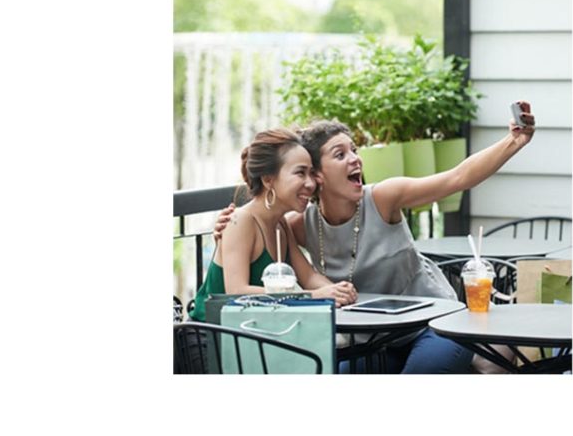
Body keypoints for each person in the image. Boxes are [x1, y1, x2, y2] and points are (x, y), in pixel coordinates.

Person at [213, 102, 536, 373]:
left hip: (435, 324)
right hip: (371, 336)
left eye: (354, 150)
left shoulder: (383, 198)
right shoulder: (298, 224)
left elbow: (456, 178)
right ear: (317, 175)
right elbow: (263, 225)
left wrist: (514, 141)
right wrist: (223, 231)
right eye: (340, 155)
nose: (355, 159)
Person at [189, 128, 357, 322]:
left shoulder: (281, 224)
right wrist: (312, 297)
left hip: (255, 337)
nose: (311, 184)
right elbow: (236, 291)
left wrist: (337, 291)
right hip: (211, 340)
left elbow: (308, 277)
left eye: (311, 173)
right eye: (300, 173)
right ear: (268, 179)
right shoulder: (240, 221)